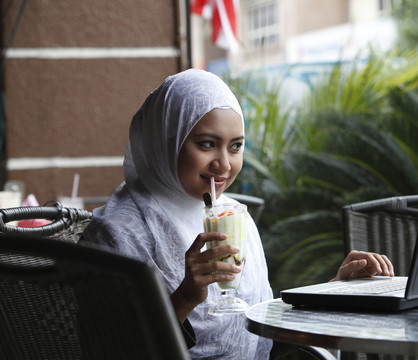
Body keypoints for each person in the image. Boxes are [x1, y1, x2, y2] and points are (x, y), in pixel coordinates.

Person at [82, 69, 394, 359]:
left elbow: (261, 335)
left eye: (235, 147)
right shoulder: (117, 234)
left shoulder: (233, 215)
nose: (224, 165)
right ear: (166, 139)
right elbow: (116, 349)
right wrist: (186, 297)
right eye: (206, 144)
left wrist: (332, 291)